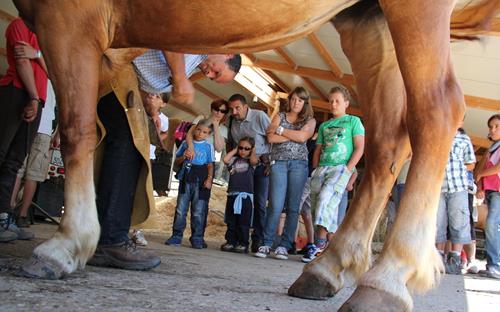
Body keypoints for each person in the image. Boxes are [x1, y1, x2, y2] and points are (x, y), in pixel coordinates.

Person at [88, 52, 241, 270]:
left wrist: (151, 104)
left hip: (127, 84)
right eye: (216, 71)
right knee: (126, 152)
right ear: (227, 54)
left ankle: (104, 235)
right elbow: (174, 39)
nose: (209, 74)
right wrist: (179, 78)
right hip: (118, 77)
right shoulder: (198, 44)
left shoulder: (195, 63)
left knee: (128, 157)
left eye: (214, 78)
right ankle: (109, 240)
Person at [0, 18, 48, 242]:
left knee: (15, 160)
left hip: (37, 99)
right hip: (17, 93)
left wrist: (37, 54)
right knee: (2, 154)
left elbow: (53, 69)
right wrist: (33, 97)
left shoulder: (44, 31)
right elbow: (21, 61)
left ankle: (3, 217)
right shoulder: (19, 24)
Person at [254, 87, 315, 260]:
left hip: (299, 165)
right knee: (275, 203)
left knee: (293, 206)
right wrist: (294, 135)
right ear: (290, 100)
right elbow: (271, 138)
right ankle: (266, 243)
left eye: (300, 100)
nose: (296, 103)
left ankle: (285, 245)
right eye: (294, 99)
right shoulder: (279, 116)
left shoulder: (310, 120)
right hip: (278, 163)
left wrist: (281, 130)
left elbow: (304, 138)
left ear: (305, 103)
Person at [308, 86, 365, 260]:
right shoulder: (325, 125)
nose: (333, 104)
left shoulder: (353, 121)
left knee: (326, 198)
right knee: (318, 206)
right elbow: (318, 149)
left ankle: (318, 244)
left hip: (340, 167)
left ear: (346, 103)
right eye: (331, 101)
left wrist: (347, 170)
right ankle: (332, 248)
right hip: (322, 167)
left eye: (337, 101)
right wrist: (316, 168)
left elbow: (359, 147)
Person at [227, 94, 271, 252]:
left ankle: (258, 239)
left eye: (237, 107)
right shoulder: (232, 121)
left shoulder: (260, 117)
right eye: (232, 108)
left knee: (259, 203)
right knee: (239, 204)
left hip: (261, 166)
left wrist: (270, 162)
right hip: (241, 169)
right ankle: (238, 240)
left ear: (246, 106)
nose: (234, 111)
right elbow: (231, 144)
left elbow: (273, 138)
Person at [13, 80, 58, 228]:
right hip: (44, 129)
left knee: (18, 169)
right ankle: (22, 216)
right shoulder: (56, 77)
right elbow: (63, 107)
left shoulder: (36, 71)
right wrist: (57, 134)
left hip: (27, 121)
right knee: (33, 174)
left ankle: (6, 211)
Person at [186, 99, 230, 247]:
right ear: (212, 109)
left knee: (201, 204)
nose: (218, 112)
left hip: (207, 167)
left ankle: (198, 237)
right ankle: (177, 234)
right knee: (183, 202)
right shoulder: (200, 119)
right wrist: (191, 147)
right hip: (191, 162)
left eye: (222, 111)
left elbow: (218, 148)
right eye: (216, 109)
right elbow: (189, 134)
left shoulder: (223, 129)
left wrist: (216, 126)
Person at [165, 119, 215, 249]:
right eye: (198, 129)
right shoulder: (185, 144)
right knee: (181, 209)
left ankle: (197, 238)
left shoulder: (208, 146)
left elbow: (210, 164)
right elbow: (177, 160)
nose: (200, 133)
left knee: (198, 211)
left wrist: (209, 179)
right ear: (194, 129)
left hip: (201, 179)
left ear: (208, 134)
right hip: (186, 177)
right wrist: (184, 157)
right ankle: (176, 236)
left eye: (204, 132)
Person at [435, 124, 475, 275]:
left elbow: (471, 163)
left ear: (460, 121)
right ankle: (438, 256)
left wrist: (460, 169)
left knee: (459, 220)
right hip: (438, 186)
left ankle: (455, 258)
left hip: (458, 186)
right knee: (438, 221)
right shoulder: (437, 135)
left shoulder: (464, 139)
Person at [220, 137, 258, 253]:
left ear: (251, 150)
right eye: (241, 148)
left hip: (245, 196)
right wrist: (235, 150)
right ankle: (231, 241)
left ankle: (243, 243)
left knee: (243, 221)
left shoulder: (251, 162)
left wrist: (253, 151)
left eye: (246, 149)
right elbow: (225, 160)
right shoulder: (234, 160)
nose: (243, 151)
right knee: (231, 220)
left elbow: (254, 161)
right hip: (232, 194)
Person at [475, 114, 500, 279]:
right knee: (492, 225)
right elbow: (480, 171)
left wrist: (480, 175)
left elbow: (497, 169)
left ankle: (495, 265)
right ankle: (492, 264)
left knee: (491, 224)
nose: (493, 129)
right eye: (491, 127)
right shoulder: (492, 149)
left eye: (497, 126)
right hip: (491, 191)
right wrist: (480, 185)